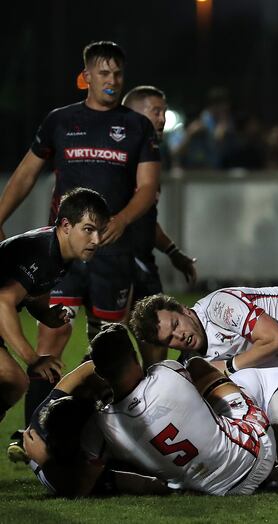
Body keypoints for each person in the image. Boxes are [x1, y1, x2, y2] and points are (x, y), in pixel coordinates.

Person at [0, 41, 161, 433]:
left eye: (118, 74)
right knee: (51, 338)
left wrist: (120, 221)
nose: (112, 81)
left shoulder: (136, 126)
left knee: (107, 343)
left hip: (111, 254)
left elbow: (148, 187)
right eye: (103, 73)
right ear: (86, 76)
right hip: (64, 253)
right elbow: (25, 173)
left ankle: (105, 433)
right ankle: (32, 434)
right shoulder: (61, 121)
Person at [129, 287, 278, 491]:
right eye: (169, 339)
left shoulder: (219, 307)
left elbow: (276, 339)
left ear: (183, 309)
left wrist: (228, 366)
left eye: (176, 324)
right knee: (275, 412)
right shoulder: (191, 360)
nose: (179, 335)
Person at [90, 323, 278, 494]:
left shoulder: (106, 424)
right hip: (256, 454)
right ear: (133, 355)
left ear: (99, 374)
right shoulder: (166, 371)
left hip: (210, 490)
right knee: (197, 365)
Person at [0, 188, 110, 426]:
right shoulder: (44, 251)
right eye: (89, 230)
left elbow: (29, 291)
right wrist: (33, 359)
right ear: (66, 225)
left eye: (100, 232)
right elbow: (3, 301)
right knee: (11, 378)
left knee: (14, 383)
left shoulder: (60, 252)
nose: (96, 241)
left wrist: (45, 314)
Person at [121, 85, 197, 367]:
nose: (163, 119)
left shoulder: (149, 154)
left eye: (164, 112)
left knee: (157, 343)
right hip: (118, 261)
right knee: (109, 347)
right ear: (132, 114)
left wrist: (173, 251)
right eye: (156, 111)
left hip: (144, 261)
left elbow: (145, 218)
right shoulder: (120, 157)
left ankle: (153, 403)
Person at [22, 360, 173, 497]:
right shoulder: (80, 472)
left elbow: (87, 369)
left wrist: (113, 384)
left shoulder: (45, 416)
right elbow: (75, 491)